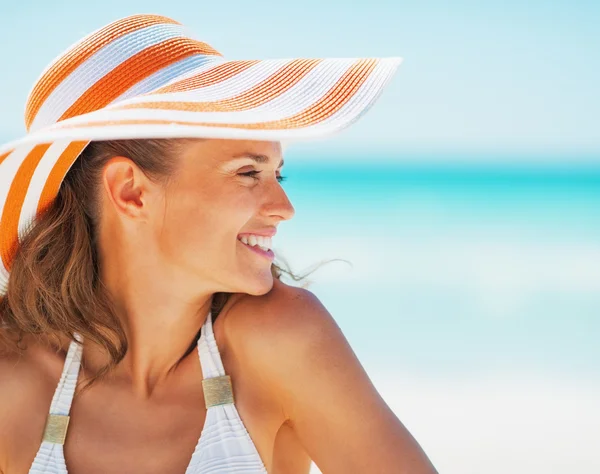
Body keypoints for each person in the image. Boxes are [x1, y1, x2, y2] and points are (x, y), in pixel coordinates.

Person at [0, 13, 438, 474]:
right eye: (249, 173)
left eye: (278, 173)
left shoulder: (280, 342)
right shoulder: (14, 376)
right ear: (131, 191)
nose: (283, 207)